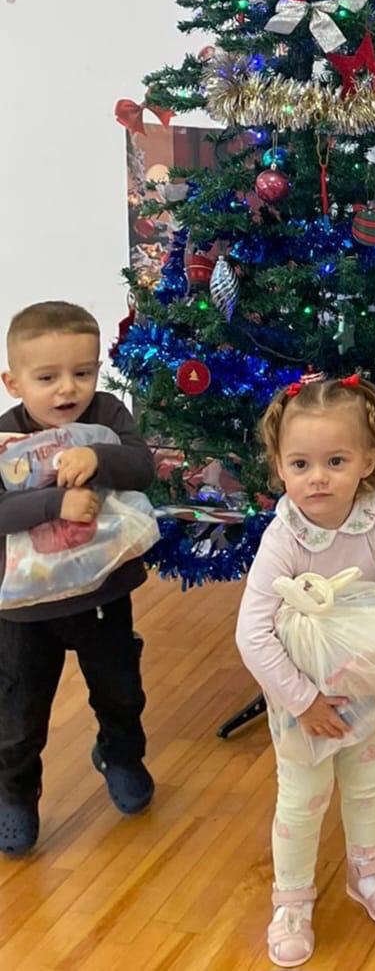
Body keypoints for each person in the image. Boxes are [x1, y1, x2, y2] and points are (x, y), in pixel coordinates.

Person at [235, 376, 375, 966]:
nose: (318, 478)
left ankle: (368, 868)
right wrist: (302, 701)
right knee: (302, 798)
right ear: (280, 466)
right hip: (302, 695)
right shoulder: (285, 536)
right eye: (301, 464)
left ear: (368, 461)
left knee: (369, 781)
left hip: (366, 684)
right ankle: (292, 899)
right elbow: (251, 633)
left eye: (336, 461)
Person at [0, 302, 156, 857]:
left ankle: (121, 755)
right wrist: (54, 504)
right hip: (24, 609)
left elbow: (143, 467)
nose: (69, 389)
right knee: (18, 713)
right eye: (47, 378)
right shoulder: (5, 439)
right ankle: (15, 792)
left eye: (83, 372)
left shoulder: (107, 415)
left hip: (100, 592)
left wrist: (97, 456)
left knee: (120, 690)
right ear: (13, 382)